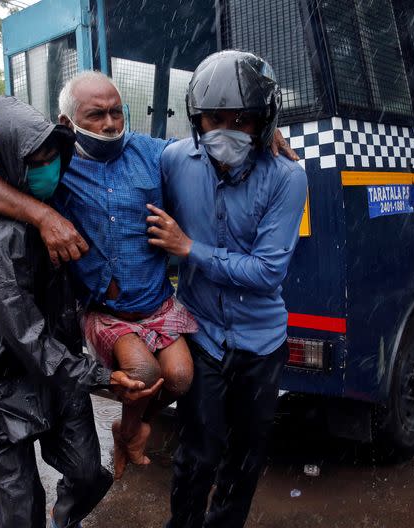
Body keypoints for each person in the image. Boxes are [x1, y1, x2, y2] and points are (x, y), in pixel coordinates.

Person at [0, 72, 198, 480]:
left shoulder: (152, 153)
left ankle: (129, 428)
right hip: (103, 309)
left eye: (116, 113)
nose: (110, 124)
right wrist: (45, 215)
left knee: (179, 378)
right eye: (96, 115)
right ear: (68, 122)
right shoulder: (57, 163)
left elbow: (199, 153)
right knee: (143, 374)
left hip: (156, 301)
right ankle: (130, 428)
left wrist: (262, 143)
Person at [0, 96, 162, 528]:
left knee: (87, 473)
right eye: (36, 160)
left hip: (58, 371)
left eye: (53, 156)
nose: (48, 168)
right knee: (19, 503)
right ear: (12, 164)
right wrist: (102, 377)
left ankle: (64, 519)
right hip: (1, 383)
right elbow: (25, 338)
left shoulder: (59, 193)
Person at [146, 50, 308, 528]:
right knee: (197, 454)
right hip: (202, 333)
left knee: (246, 458)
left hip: (262, 343)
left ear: (265, 121)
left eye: (244, 120)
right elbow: (112, 163)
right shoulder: (174, 159)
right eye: (216, 119)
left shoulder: (287, 177)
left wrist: (188, 248)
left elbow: (266, 273)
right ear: (197, 120)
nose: (228, 131)